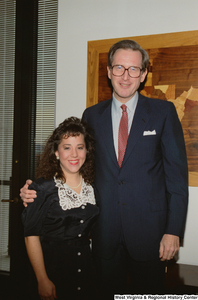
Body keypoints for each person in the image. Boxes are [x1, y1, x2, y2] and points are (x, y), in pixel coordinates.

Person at [20, 40, 188, 297]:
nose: (125, 75)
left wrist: (173, 231)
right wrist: (36, 189)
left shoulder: (163, 112)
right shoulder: (91, 115)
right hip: (103, 234)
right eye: (119, 67)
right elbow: (74, 162)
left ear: (143, 75)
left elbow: (177, 178)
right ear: (109, 71)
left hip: (151, 236)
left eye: (133, 69)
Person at [21, 117, 99, 300]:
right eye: (67, 147)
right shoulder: (41, 188)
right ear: (56, 152)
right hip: (52, 272)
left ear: (87, 151)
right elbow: (30, 236)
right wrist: (42, 279)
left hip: (87, 271)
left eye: (80, 147)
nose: (74, 154)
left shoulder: (93, 187)